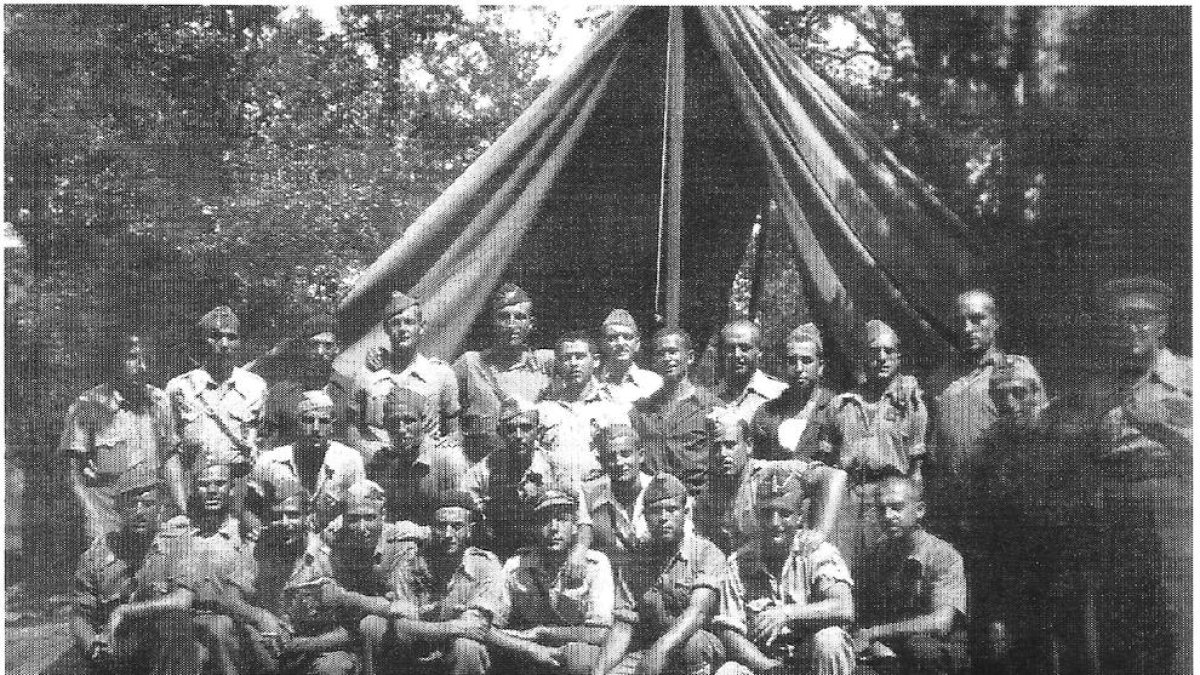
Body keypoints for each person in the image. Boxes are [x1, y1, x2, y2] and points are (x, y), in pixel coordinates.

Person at [1083, 276, 1191, 675]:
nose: (1132, 328)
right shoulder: (1099, 387)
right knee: (1117, 618)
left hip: (1169, 505)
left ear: (1164, 323)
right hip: (1111, 509)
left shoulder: (1188, 377)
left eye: (1143, 318)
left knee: (1173, 615)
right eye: (1122, 319)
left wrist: (1157, 425)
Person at [321, 487, 510, 675]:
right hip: (417, 644)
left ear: (470, 529)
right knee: (373, 625)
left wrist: (433, 627)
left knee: (466, 647)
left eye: (457, 526)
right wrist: (452, 626)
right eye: (440, 526)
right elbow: (402, 624)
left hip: (455, 650)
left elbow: (477, 627)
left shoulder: (485, 566)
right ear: (430, 527)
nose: (447, 534)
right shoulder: (411, 563)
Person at [961, 358, 1059, 675]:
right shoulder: (987, 452)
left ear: (1036, 391)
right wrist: (994, 608)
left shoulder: (1064, 440)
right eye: (1000, 396)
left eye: (1017, 393)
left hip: (1061, 575)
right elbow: (982, 537)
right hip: (1009, 579)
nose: (1010, 404)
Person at [61, 465, 201, 675]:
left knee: (175, 621)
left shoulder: (178, 546)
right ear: (118, 509)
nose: (139, 512)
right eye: (131, 504)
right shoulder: (96, 556)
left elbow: (183, 599)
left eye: (148, 504)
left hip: (165, 646)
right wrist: (93, 646)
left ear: (161, 508)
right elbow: (80, 615)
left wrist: (124, 610)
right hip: (116, 645)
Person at [713, 475, 855, 675]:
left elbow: (844, 607)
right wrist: (770, 668)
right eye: (767, 513)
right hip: (764, 662)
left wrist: (787, 614)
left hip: (810, 660)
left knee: (830, 639)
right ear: (756, 516)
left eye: (785, 513)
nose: (775, 522)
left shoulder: (818, 553)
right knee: (728, 672)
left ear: (800, 518)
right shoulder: (739, 563)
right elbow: (729, 631)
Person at [817, 319, 927, 574]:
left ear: (899, 356)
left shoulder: (910, 403)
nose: (882, 358)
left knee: (886, 575)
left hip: (889, 501)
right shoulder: (840, 406)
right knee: (841, 571)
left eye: (889, 351)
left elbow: (917, 471)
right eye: (874, 351)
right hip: (848, 499)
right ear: (863, 357)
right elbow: (825, 466)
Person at [927, 291, 1042, 531]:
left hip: (999, 506)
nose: (968, 328)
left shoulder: (1015, 370)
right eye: (961, 322)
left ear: (996, 321)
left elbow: (1037, 440)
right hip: (949, 507)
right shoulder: (940, 380)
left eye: (977, 319)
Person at [591, 473, 727, 675]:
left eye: (672, 509)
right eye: (655, 511)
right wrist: (599, 671)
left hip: (695, 643)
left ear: (685, 513)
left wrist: (660, 651)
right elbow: (624, 624)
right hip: (650, 646)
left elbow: (699, 612)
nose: (663, 518)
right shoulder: (637, 560)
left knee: (695, 644)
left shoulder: (706, 552)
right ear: (645, 516)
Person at [61, 332, 186, 539]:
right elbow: (75, 477)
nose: (142, 366)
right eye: (132, 357)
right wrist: (95, 524)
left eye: (147, 359)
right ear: (114, 361)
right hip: (108, 524)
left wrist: (182, 511)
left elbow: (171, 460)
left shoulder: (159, 402)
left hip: (151, 522)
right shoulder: (88, 406)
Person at [487, 488, 615, 675]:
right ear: (533, 528)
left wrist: (543, 632)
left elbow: (601, 632)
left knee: (578, 657)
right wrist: (527, 648)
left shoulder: (595, 565)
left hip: (571, 647)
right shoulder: (516, 566)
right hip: (526, 649)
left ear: (574, 527)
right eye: (545, 521)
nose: (554, 527)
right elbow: (491, 624)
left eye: (562, 519)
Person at [853, 476, 968, 675]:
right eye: (881, 509)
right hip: (888, 646)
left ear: (919, 510)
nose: (888, 516)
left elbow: (940, 623)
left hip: (936, 648)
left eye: (897, 507)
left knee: (921, 649)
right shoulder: (874, 556)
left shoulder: (943, 555)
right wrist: (877, 645)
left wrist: (875, 633)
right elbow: (861, 615)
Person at [240, 483, 357, 675]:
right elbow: (228, 596)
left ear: (308, 515)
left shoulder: (329, 556)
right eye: (277, 516)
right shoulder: (259, 549)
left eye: (293, 515)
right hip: (269, 647)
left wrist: (300, 644)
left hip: (316, 648)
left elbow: (351, 630)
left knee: (334, 667)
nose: (285, 523)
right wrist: (260, 616)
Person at [693, 410, 845, 555]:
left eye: (730, 445)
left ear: (749, 445)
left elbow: (834, 476)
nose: (722, 454)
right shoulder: (707, 495)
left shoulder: (773, 472)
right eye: (715, 447)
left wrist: (819, 532)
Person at [166, 305, 267, 514]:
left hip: (239, 489)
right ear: (203, 341)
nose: (224, 344)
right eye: (215, 336)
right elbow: (169, 451)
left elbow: (260, 441)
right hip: (194, 490)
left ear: (239, 342)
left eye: (231, 337)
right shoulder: (180, 388)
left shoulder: (255, 387)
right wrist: (180, 503)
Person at [352, 292, 460, 455]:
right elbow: (352, 426)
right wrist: (366, 453)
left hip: (424, 462)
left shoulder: (441, 374)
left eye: (409, 322)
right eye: (395, 323)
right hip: (378, 460)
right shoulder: (368, 374)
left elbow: (454, 430)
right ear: (386, 329)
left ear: (421, 327)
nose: (402, 329)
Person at [250, 390, 366, 534]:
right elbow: (252, 507)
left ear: (332, 425)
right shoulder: (269, 461)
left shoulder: (350, 460)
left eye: (323, 421)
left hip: (329, 542)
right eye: (309, 420)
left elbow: (359, 507)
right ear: (297, 423)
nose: (316, 429)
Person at [455, 282, 555, 438]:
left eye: (520, 317)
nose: (511, 325)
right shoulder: (470, 363)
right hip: (481, 457)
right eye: (504, 317)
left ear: (531, 324)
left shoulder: (546, 362)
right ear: (493, 321)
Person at [631, 329, 723, 492]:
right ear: (654, 362)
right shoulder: (641, 411)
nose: (667, 359)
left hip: (697, 502)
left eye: (673, 352)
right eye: (661, 354)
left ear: (690, 357)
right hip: (655, 502)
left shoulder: (711, 407)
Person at [362, 385, 469, 525]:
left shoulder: (447, 459)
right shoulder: (381, 460)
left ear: (423, 421)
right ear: (386, 425)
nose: (401, 429)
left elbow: (458, 517)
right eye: (394, 422)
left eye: (409, 421)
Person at [536, 331, 628, 483]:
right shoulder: (544, 410)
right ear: (557, 364)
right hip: (556, 497)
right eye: (566, 358)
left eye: (580, 357)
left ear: (596, 361)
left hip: (601, 496)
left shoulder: (613, 410)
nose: (573, 363)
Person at [261, 312, 352, 449]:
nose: (320, 352)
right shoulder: (280, 392)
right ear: (303, 348)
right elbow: (268, 441)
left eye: (327, 345)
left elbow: (353, 437)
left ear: (336, 349)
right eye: (314, 345)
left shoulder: (348, 389)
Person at [749, 324, 837, 462]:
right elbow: (754, 463)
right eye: (791, 361)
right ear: (784, 365)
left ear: (820, 366)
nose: (799, 368)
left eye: (807, 361)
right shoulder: (766, 413)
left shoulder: (836, 410)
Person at [714, 320, 787, 425]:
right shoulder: (711, 396)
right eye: (730, 348)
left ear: (759, 351)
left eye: (744, 348)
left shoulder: (779, 394)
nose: (737, 355)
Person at [598, 309, 662, 406]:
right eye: (612, 338)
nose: (620, 343)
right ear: (603, 345)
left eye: (627, 337)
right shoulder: (593, 382)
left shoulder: (653, 383)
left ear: (637, 344)